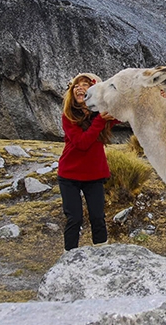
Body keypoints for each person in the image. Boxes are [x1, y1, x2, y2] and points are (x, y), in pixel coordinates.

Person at [57, 72, 118, 251]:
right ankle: (69, 258)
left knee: (97, 217)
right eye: (77, 85)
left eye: (85, 85)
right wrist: (100, 120)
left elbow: (126, 112)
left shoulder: (101, 114)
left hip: (94, 176)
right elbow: (82, 143)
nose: (80, 88)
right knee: (74, 218)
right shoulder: (68, 116)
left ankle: (101, 254)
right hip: (69, 175)